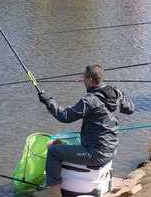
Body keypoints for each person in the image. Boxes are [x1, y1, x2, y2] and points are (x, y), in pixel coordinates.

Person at [35, 64, 135, 197]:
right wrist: (120, 94)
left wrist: (48, 100)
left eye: (84, 77)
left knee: (53, 151)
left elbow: (65, 116)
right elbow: (130, 109)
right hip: (111, 150)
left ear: (90, 79)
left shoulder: (89, 100)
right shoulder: (115, 92)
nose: (83, 80)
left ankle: (55, 192)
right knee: (59, 143)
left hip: (96, 153)